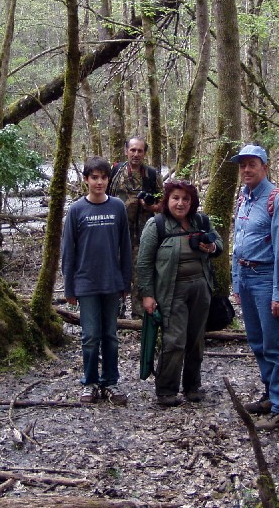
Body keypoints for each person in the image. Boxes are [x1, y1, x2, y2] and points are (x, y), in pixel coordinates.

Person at [137, 179, 223, 406]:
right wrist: (147, 294)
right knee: (174, 340)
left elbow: (219, 245)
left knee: (196, 339)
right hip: (171, 291)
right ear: (167, 200)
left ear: (192, 201)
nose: (181, 203)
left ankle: (192, 387)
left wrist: (211, 247)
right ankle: (166, 390)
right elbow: (144, 264)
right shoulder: (157, 225)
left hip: (201, 289)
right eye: (176, 198)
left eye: (186, 199)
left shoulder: (201, 221)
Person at [230, 144, 279, 430]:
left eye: (252, 164)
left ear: (264, 167)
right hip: (245, 278)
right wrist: (235, 281)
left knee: (275, 344)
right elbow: (237, 243)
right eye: (243, 164)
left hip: (266, 279)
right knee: (257, 342)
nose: (246, 169)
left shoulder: (278, 201)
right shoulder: (243, 198)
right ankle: (271, 395)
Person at [62, 156, 132, 405]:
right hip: (86, 283)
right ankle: (90, 382)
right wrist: (69, 287)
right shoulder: (76, 210)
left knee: (110, 335)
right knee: (90, 336)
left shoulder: (117, 208)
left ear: (108, 179)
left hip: (112, 282)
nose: (99, 182)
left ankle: (111, 382)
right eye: (94, 177)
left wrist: (126, 281)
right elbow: (68, 251)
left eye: (103, 177)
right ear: (86, 180)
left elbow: (125, 246)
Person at [107, 136, 163, 318]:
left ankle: (139, 315)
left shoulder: (152, 175)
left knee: (141, 272)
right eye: (132, 150)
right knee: (116, 270)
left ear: (145, 153)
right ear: (126, 151)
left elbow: (163, 204)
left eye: (140, 150)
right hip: (116, 233)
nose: (136, 154)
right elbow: (103, 197)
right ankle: (115, 312)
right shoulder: (115, 172)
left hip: (143, 234)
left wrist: (151, 207)